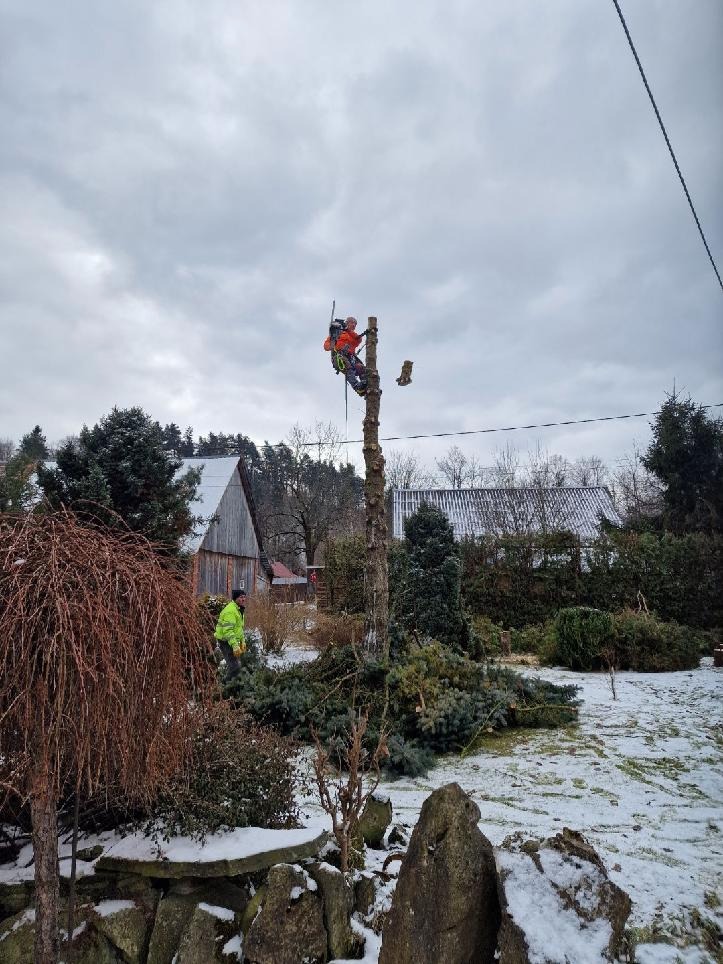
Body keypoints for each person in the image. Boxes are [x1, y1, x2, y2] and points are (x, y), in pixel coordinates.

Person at [214, 588, 246, 678]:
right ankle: (226, 687)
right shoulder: (230, 611)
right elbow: (228, 631)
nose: (243, 599)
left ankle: (233, 684)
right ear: (235, 598)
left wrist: (242, 641)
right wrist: (235, 645)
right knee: (234, 667)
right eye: (241, 597)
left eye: (244, 597)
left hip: (230, 641)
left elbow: (239, 628)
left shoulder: (238, 609)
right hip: (225, 641)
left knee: (235, 665)